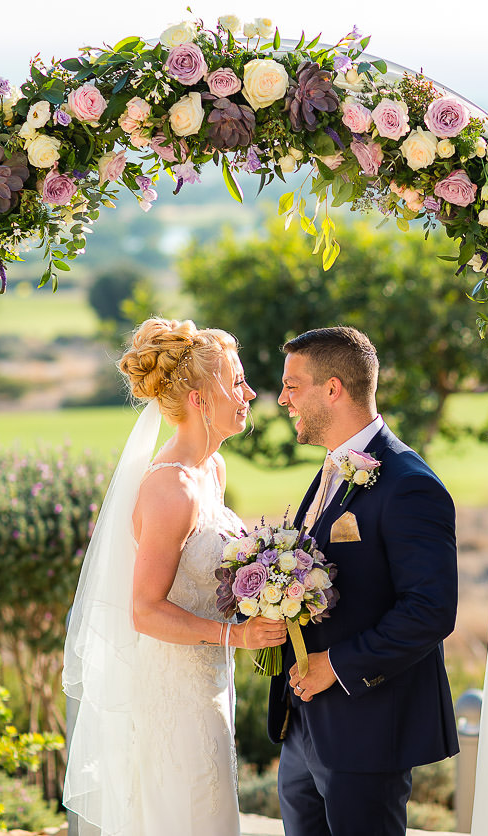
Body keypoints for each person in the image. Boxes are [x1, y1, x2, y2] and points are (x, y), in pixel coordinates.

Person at [63, 319, 286, 835]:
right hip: (174, 692)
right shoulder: (172, 491)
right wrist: (239, 634)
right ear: (199, 398)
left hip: (211, 680)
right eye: (236, 381)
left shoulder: (213, 470)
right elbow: (145, 611)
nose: (250, 393)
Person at [268, 326, 460, 836]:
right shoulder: (331, 470)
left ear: (333, 389)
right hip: (303, 725)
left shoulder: (410, 485)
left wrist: (337, 665)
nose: (282, 399)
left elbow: (430, 609)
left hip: (367, 723)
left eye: (292, 385)